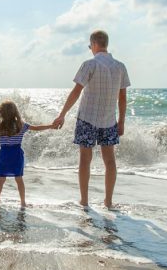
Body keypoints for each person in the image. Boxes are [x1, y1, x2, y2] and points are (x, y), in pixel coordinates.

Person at [52, 30, 130, 209]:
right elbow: (123, 98)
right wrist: (122, 121)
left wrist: (62, 114)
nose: (90, 49)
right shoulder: (120, 66)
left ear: (94, 44)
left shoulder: (89, 64)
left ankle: (85, 201)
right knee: (110, 161)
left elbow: (76, 92)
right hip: (109, 120)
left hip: (87, 118)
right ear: (106, 44)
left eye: (90, 46)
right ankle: (108, 201)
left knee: (85, 160)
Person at [0, 100, 56, 207]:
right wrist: (51, 126)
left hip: (4, 155)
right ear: (15, 112)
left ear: (1, 113)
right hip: (16, 155)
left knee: (1, 179)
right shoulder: (21, 125)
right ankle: (23, 202)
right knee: (19, 179)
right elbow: (37, 128)